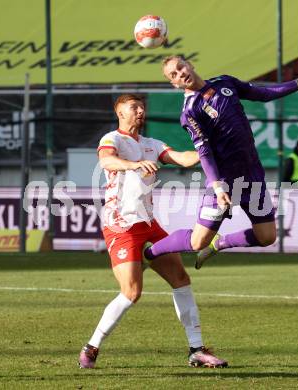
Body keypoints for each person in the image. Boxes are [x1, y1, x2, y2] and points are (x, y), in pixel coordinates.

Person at [79, 94, 227, 369]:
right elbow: (107, 162)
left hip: (148, 224)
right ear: (120, 113)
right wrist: (133, 164)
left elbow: (181, 158)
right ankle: (92, 346)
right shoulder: (112, 138)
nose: (140, 111)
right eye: (133, 107)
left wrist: (209, 151)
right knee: (132, 292)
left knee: (181, 279)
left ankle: (196, 349)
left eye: (141, 107)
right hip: (121, 225)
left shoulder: (151, 145)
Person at [144, 56, 298, 268]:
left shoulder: (224, 82)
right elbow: (205, 151)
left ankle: (220, 244)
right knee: (198, 241)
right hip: (224, 181)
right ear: (175, 84)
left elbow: (262, 94)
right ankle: (150, 253)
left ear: (190, 65)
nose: (180, 73)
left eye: (181, 67)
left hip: (252, 175)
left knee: (267, 237)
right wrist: (217, 187)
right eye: (174, 74)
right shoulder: (190, 111)